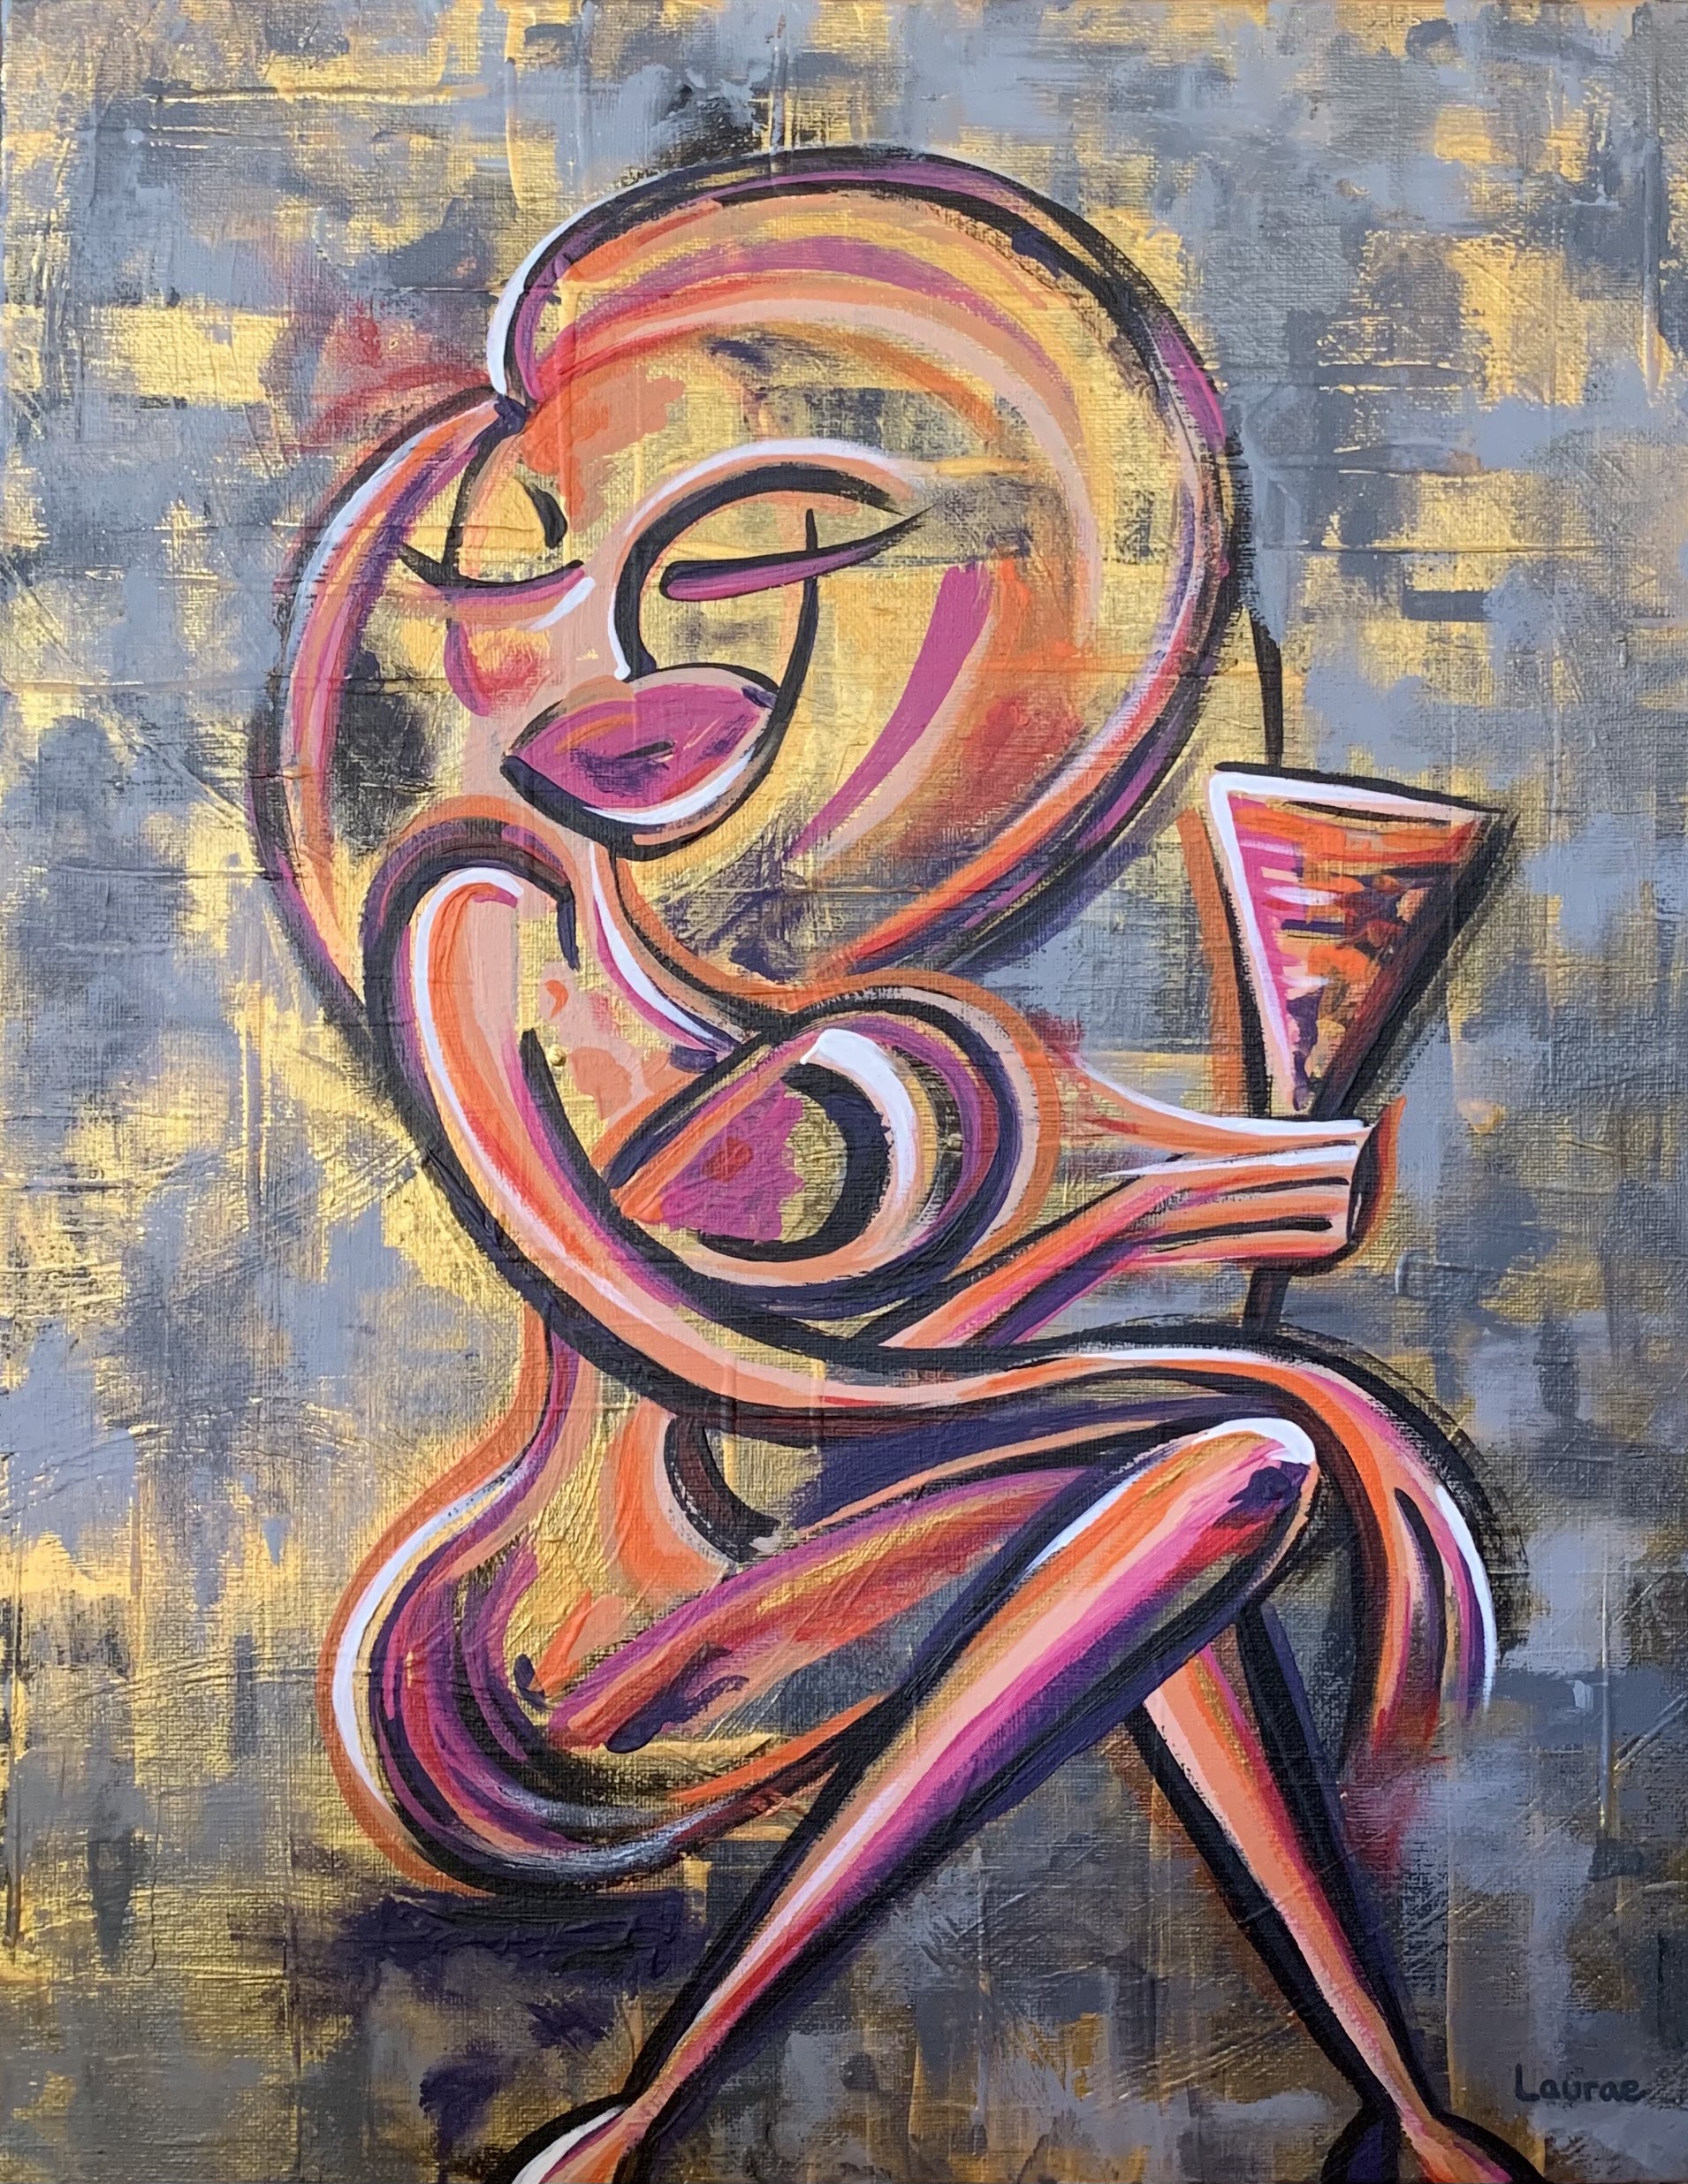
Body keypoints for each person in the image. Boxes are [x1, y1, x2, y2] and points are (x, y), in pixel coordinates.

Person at [254, 148, 1539, 2184]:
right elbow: (687, 1348)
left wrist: (1186, 1219)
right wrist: (1197, 1358)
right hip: (558, 1652)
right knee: (1215, 1448)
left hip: (791, 1567)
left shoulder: (722, 972)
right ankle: (650, 2116)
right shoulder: (475, 914)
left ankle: (1388, 2101)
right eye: (515, 564)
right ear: (412, 612)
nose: (629, 635)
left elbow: (954, 1375)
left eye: (740, 555)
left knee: (1191, 1499)